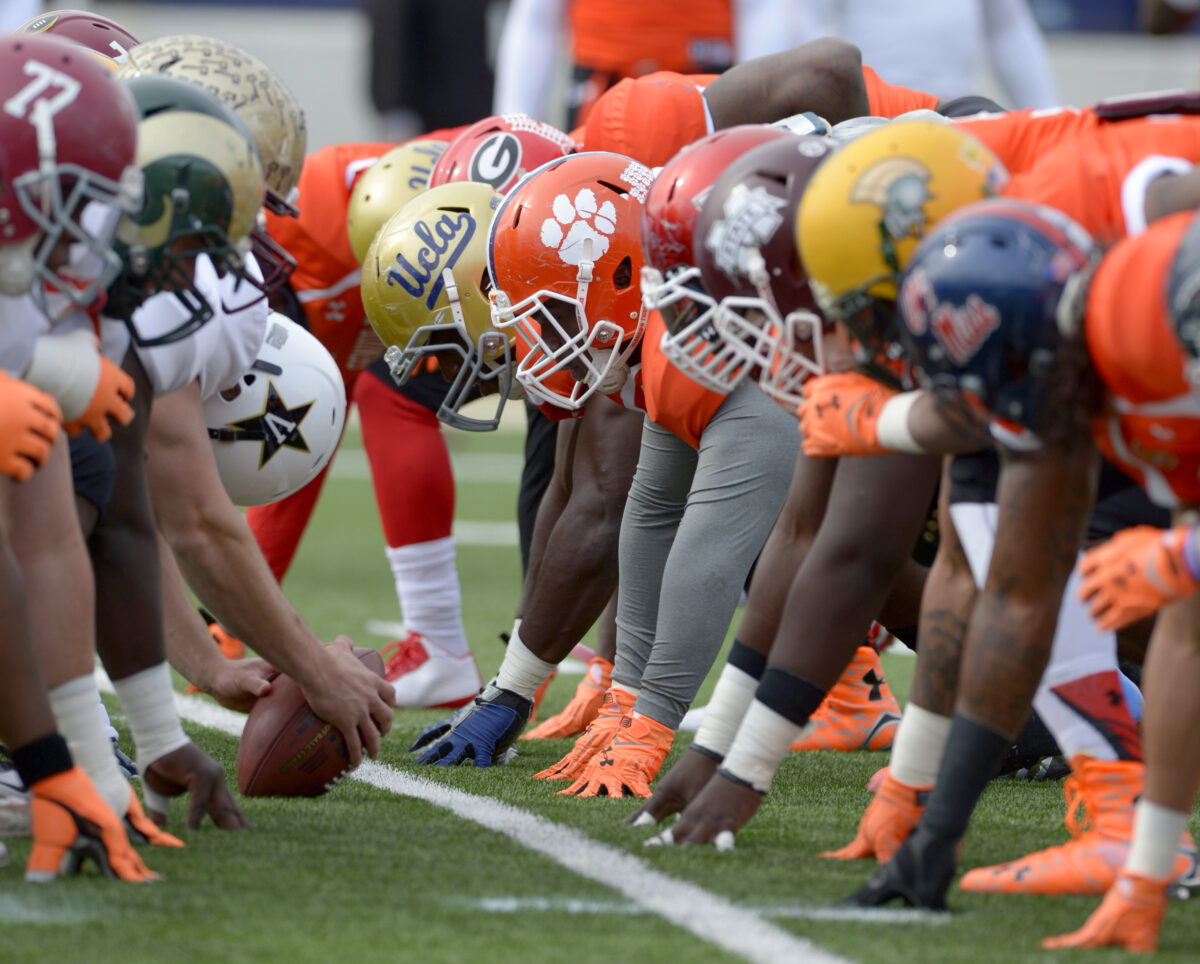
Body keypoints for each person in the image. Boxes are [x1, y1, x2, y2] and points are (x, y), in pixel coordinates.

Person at [494, 0, 797, 125]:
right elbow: (535, 20)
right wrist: (512, 129)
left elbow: (762, 10)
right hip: (601, 84)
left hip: (706, 80)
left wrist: (759, 121)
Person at [793, 0, 1058, 109]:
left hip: (955, 113)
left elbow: (1007, 31)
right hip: (872, 115)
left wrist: (1048, 119)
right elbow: (805, 23)